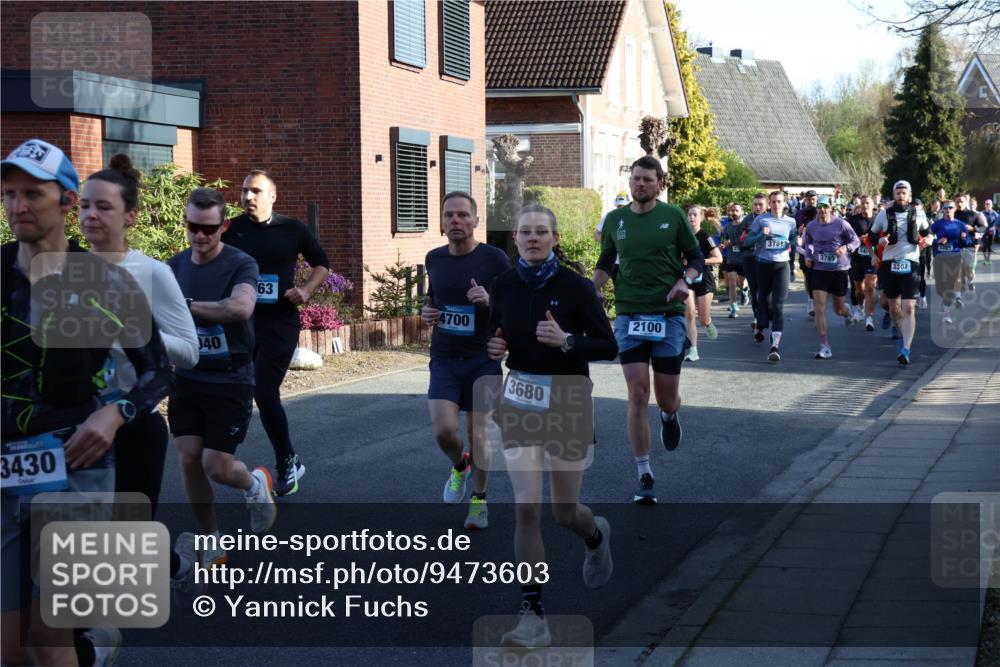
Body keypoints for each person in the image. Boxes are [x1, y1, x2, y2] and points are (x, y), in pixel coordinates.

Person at [2, 139, 172, 666]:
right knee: (10, 646)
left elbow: (158, 369)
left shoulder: (104, 280)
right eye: (8, 194)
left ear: (67, 201)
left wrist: (115, 413)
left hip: (76, 462)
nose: (17, 206)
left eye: (33, 193)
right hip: (4, 469)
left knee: (53, 637)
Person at [487, 204, 617, 648]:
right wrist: (492, 347)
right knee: (526, 507)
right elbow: (495, 338)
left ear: (555, 238)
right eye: (525, 232)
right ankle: (532, 615)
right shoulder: (502, 286)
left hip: (567, 397)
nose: (533, 238)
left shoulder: (576, 287)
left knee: (564, 512)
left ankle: (595, 535)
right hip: (520, 395)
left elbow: (608, 345)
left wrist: (569, 342)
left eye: (542, 231)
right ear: (516, 239)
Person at [80, 154, 199, 514]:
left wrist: (132, 337)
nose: (91, 215)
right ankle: (173, 564)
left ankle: (172, 565)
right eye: (85, 206)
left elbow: (190, 352)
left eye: (104, 207)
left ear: (130, 215)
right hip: (76, 424)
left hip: (133, 424)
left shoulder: (152, 272)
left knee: (127, 542)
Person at [168, 187, 277, 563]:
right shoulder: (174, 266)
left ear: (224, 226)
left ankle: (254, 484)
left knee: (216, 466)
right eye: (193, 226)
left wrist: (185, 307)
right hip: (187, 378)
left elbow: (241, 308)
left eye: (209, 229)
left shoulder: (240, 263)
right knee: (188, 459)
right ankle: (212, 539)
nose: (200, 236)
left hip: (230, 379)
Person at [592, 156, 704, 504]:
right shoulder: (615, 220)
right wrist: (589, 289)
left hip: (668, 315)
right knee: (638, 394)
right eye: (635, 179)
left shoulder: (673, 217)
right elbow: (606, 262)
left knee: (664, 397)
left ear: (660, 183)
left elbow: (696, 259)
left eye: (647, 180)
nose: (639, 184)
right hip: (629, 315)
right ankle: (644, 473)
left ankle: (670, 415)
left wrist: (686, 281)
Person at [222, 170, 330, 496]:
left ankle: (286, 460)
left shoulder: (292, 229)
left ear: (272, 196)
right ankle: (226, 457)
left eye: (256, 191)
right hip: (241, 323)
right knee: (241, 388)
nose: (248, 197)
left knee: (264, 390)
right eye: (244, 191)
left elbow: (321, 264)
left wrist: (307, 290)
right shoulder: (232, 230)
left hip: (279, 322)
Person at [421, 192, 510, 529]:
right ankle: (460, 465)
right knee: (444, 431)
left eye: (462, 215)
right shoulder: (434, 259)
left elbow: (513, 307)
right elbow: (433, 301)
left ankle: (479, 500)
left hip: (482, 358)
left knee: (480, 433)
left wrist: (490, 300)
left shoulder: (495, 259)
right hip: (444, 356)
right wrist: (426, 312)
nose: (455, 221)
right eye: (449, 216)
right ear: (442, 222)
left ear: (475, 221)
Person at [869, 180, 930, 365]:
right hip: (889, 265)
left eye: (904, 193)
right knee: (894, 307)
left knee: (909, 308)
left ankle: (906, 349)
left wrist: (928, 239)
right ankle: (901, 334)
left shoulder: (918, 214)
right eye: (898, 193)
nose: (901, 196)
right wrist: (878, 243)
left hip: (911, 264)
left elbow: (929, 233)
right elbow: (871, 236)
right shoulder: (884, 215)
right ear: (894, 195)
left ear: (909, 195)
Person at [802, 196, 860, 359]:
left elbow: (856, 241)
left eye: (825, 206)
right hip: (819, 270)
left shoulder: (841, 224)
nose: (822, 209)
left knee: (837, 309)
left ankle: (847, 311)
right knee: (819, 307)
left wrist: (846, 247)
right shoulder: (812, 226)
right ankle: (824, 345)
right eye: (819, 206)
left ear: (831, 207)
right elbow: (808, 243)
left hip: (839, 269)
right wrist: (808, 255)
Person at [744, 191, 797, 362]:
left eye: (779, 201)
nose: (776, 205)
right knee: (764, 301)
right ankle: (761, 326)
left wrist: (792, 244)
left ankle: (775, 346)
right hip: (763, 265)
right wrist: (761, 235)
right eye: (773, 202)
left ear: (784, 203)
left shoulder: (791, 221)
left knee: (778, 305)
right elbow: (747, 241)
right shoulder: (761, 220)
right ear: (769, 204)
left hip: (782, 265)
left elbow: (794, 239)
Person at [683, 205, 723, 362]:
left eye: (695, 215)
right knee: (690, 313)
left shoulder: (705, 236)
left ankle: (708, 323)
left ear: (701, 217)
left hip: (704, 279)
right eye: (690, 215)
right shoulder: (682, 236)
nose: (692, 217)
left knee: (703, 319)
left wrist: (699, 261)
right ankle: (694, 350)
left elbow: (718, 258)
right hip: (687, 279)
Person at [930, 201, 966, 324]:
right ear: (943, 210)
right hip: (940, 257)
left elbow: (966, 243)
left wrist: (963, 238)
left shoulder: (960, 224)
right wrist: (937, 242)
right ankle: (946, 300)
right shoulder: (937, 225)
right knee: (941, 287)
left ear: (954, 209)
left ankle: (946, 313)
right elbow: (928, 239)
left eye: (951, 207)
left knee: (950, 284)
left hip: (955, 256)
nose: (948, 209)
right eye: (946, 208)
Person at [847, 194, 878, 330]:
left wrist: (873, 240)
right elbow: (846, 237)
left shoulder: (878, 220)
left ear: (873, 206)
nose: (865, 205)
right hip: (856, 258)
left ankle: (869, 318)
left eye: (868, 203)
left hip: (872, 258)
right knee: (859, 289)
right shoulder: (852, 220)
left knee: (870, 287)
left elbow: (886, 235)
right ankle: (859, 307)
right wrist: (858, 239)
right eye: (863, 203)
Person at [741, 194, 767, 331]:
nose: (757, 207)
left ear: (766, 205)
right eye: (755, 204)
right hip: (750, 258)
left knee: (765, 291)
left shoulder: (770, 219)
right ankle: (757, 318)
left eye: (760, 204)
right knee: (755, 289)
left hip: (767, 258)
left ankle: (766, 314)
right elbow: (742, 241)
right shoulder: (746, 220)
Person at [954, 193, 987, 294]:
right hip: (955, 246)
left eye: (961, 201)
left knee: (969, 270)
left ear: (966, 202)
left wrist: (973, 228)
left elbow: (983, 228)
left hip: (969, 245)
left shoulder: (973, 214)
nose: (959, 204)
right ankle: (959, 290)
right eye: (957, 201)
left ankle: (970, 280)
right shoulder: (952, 214)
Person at [720, 202, 748, 318]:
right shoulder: (728, 227)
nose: (734, 213)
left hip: (743, 258)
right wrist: (723, 245)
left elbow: (744, 239)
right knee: (731, 282)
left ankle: (745, 291)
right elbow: (725, 240)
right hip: (731, 258)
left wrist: (731, 242)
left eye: (736, 210)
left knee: (741, 282)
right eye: (732, 211)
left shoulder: (746, 225)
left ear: (741, 211)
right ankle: (734, 308)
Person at [794, 190, 818, 316]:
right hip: (804, 250)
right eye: (809, 199)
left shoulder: (821, 212)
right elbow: (794, 231)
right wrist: (799, 230)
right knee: (808, 276)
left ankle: (817, 299)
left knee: (817, 276)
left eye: (813, 199)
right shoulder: (800, 214)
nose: (811, 201)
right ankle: (810, 299)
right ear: (805, 200)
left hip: (820, 249)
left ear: (817, 199)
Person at [981, 198, 996, 265]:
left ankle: (988, 259)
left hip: (991, 232)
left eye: (988, 204)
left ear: (991, 205)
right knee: (984, 245)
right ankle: (985, 258)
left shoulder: (994, 213)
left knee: (989, 246)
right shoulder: (982, 213)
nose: (987, 205)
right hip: (984, 231)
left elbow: (998, 221)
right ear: (985, 205)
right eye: (986, 204)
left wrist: (993, 227)